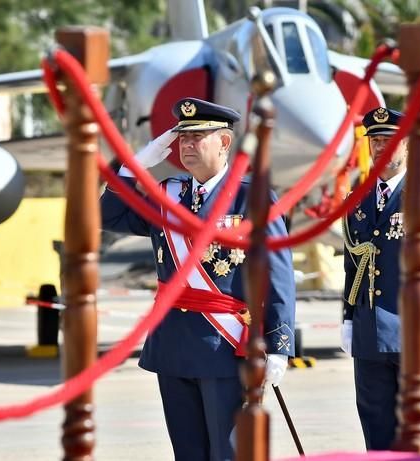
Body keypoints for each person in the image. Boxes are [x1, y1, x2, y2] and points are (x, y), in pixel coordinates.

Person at [100, 97, 296, 461]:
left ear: (224, 142)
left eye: (197, 138)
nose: (186, 146)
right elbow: (106, 216)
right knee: (188, 453)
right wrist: (133, 165)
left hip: (225, 346)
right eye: (182, 139)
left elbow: (279, 276)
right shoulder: (167, 195)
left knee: (229, 452)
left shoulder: (250, 198)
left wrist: (279, 345)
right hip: (173, 345)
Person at [341, 107, 420, 450]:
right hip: (368, 334)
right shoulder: (357, 197)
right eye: (375, 141)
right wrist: (348, 318)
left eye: (388, 141)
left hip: (416, 331)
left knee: (419, 432)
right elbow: (354, 262)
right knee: (376, 433)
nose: (380, 148)